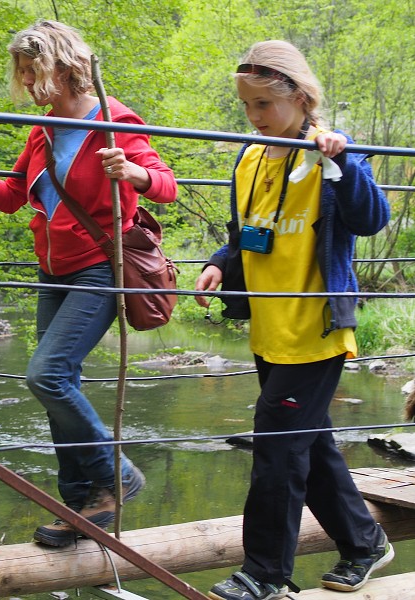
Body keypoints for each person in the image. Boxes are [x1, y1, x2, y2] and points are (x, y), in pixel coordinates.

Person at [0, 19, 177, 547]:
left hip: (99, 267)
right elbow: (11, 196)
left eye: (31, 69)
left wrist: (129, 172)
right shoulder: (42, 132)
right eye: (20, 70)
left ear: (65, 70)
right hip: (54, 270)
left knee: (47, 375)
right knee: (59, 388)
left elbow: (166, 186)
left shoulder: (116, 121)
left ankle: (117, 474)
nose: (25, 80)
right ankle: (83, 508)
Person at [195, 40, 392, 599]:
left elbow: (371, 219)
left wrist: (343, 160)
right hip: (268, 327)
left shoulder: (331, 155)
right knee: (312, 444)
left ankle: (265, 574)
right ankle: (364, 543)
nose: (254, 117)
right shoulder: (251, 155)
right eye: (247, 106)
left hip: (315, 329)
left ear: (301, 98)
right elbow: (245, 234)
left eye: (264, 105)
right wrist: (218, 264)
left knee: (277, 447)